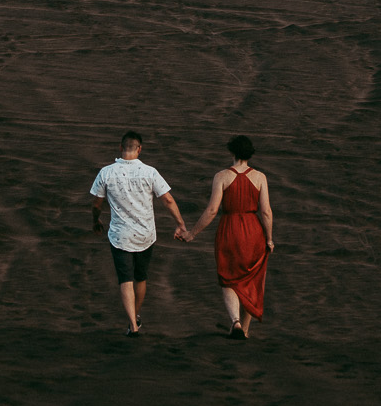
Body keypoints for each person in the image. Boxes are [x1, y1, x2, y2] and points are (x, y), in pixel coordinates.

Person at [90, 130, 187, 336]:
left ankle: (133, 325)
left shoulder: (106, 172)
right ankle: (136, 315)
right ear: (139, 149)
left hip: (120, 236)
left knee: (125, 279)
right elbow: (168, 200)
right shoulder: (150, 172)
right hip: (146, 235)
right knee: (141, 277)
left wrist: (95, 220)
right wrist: (180, 223)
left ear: (120, 147)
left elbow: (96, 203)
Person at [177, 134, 274, 338]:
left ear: (232, 152)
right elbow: (265, 211)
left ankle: (236, 322)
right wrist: (269, 238)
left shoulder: (221, 176)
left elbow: (212, 210)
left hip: (229, 230)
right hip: (253, 230)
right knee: (252, 279)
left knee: (228, 277)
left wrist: (192, 233)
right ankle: (245, 331)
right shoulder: (260, 177)